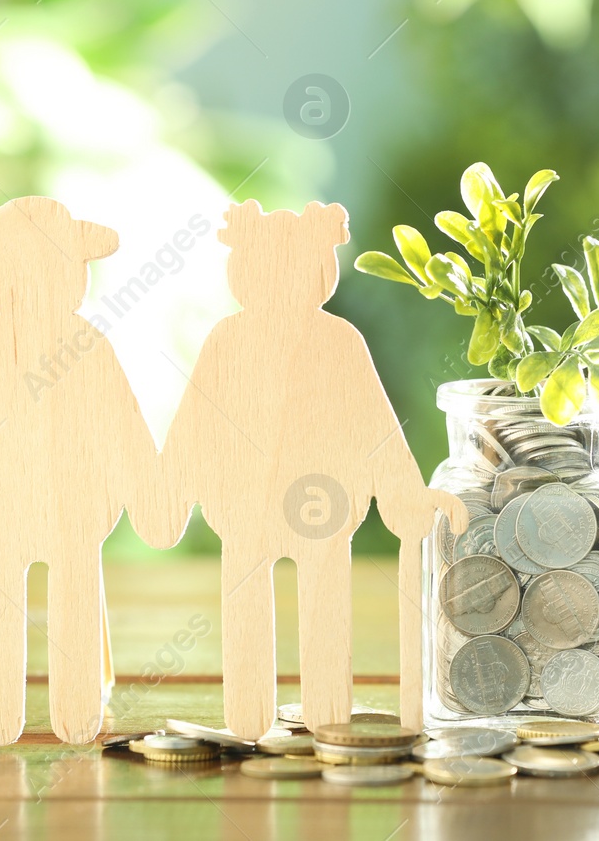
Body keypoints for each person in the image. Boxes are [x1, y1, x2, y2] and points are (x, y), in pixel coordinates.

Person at [158, 200, 465, 738]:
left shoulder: (339, 341)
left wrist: (407, 496)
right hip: (246, 510)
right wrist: (170, 490)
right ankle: (249, 717)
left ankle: (326, 715)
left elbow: (376, 428)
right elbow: (195, 425)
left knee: (325, 614)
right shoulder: (226, 342)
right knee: (247, 610)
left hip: (325, 512)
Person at [0, 198, 155, 744]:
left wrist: (149, 491)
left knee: (74, 601)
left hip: (76, 519)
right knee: (0, 604)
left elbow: (123, 427)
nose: (32, 283)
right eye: (18, 269)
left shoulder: (91, 349)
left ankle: (77, 710)